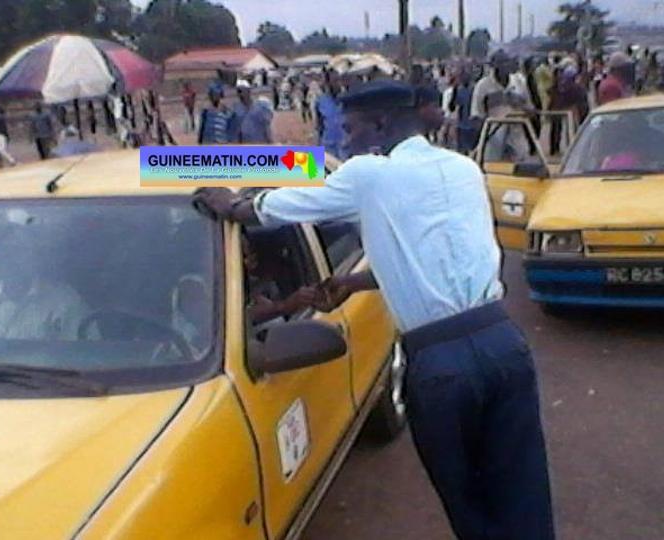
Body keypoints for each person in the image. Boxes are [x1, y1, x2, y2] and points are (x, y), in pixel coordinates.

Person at [194, 81, 555, 540]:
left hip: (442, 364)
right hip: (503, 343)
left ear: (381, 124)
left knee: (467, 498)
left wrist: (229, 203)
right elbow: (440, 256)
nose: (344, 141)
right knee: (523, 488)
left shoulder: (366, 175)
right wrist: (353, 282)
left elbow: (267, 210)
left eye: (350, 129)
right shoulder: (462, 167)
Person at [0, 226, 91, 340]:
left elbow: (85, 352)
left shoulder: (64, 302)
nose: (10, 259)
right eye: (4, 252)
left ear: (34, 256)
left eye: (18, 251)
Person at [230, 79, 273, 144]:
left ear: (248, 91)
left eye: (241, 91)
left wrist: (270, 142)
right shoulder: (236, 109)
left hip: (260, 143)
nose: (239, 94)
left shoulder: (260, 106)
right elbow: (237, 130)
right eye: (238, 92)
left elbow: (266, 127)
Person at [315, 69, 345, 158]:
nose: (337, 84)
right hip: (328, 146)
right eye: (334, 80)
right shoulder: (321, 101)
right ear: (328, 82)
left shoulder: (348, 99)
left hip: (345, 146)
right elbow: (320, 126)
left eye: (339, 80)